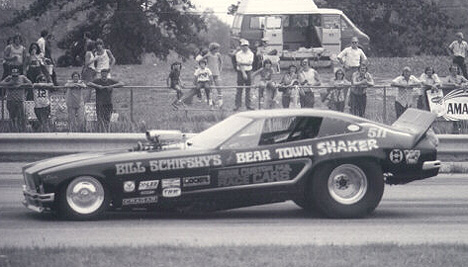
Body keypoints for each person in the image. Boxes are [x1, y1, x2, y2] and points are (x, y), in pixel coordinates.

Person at [234, 39, 255, 111]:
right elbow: (239, 64)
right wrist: (243, 73)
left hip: (249, 71)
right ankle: (237, 105)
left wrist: (242, 63)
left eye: (246, 46)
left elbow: (250, 63)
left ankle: (248, 105)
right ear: (241, 46)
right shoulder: (238, 54)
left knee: (248, 89)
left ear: (248, 46)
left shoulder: (251, 54)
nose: (244, 47)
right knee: (239, 89)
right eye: (243, 46)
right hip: (240, 72)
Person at [204, 42, 223, 107]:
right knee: (210, 87)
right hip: (210, 73)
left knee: (218, 86)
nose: (218, 50)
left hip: (216, 73)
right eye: (216, 49)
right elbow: (201, 60)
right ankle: (210, 101)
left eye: (218, 49)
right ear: (212, 49)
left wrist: (220, 69)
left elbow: (221, 62)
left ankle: (220, 101)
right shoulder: (208, 55)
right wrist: (204, 68)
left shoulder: (218, 55)